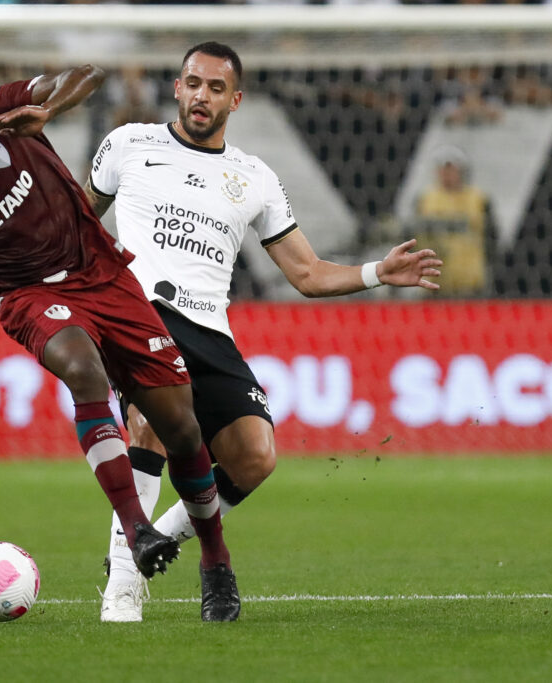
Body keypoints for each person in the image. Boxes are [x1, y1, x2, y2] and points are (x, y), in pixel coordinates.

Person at [84, 42, 443, 622]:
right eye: (193, 83)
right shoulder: (128, 145)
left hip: (210, 330)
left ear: (236, 100)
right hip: (141, 315)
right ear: (176, 88)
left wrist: (379, 272)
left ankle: (160, 537)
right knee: (148, 423)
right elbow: (77, 223)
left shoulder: (253, 177)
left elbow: (306, 272)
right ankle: (123, 587)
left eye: (216, 88)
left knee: (255, 457)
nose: (202, 95)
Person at [0, 65, 241, 621]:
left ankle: (216, 563)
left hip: (103, 275)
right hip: (28, 295)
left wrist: (50, 110)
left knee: (181, 429)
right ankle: (137, 531)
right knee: (84, 371)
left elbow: (88, 73)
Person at [414, 145, 495, 297]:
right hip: (434, 285)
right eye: (443, 169)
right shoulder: (424, 200)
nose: (446, 174)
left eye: (451, 169)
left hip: (470, 284)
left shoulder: (479, 199)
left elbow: (492, 240)